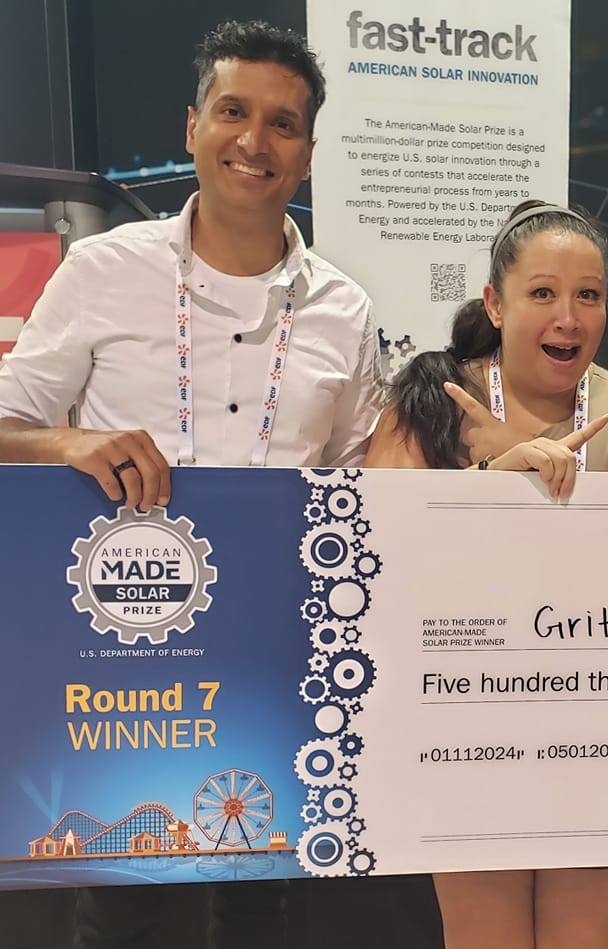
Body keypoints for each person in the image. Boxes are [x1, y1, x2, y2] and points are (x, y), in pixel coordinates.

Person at [0, 20, 383, 949]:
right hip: (117, 659)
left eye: (283, 124)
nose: (255, 142)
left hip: (274, 667)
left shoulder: (346, 309)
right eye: (233, 112)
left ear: (309, 152)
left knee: (270, 914)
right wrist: (69, 446)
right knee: (125, 910)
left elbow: (365, 478)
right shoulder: (101, 270)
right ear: (191, 126)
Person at [366, 200, 608, 949]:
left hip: (598, 727)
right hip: (462, 723)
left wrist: (531, 472)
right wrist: (488, 478)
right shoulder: (430, 401)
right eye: (542, 293)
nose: (567, 317)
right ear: (494, 302)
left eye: (588, 295)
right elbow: (379, 552)